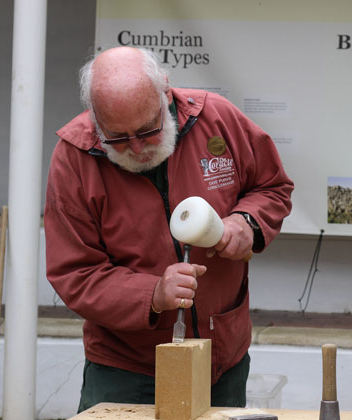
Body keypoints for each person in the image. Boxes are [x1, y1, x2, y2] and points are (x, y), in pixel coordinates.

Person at [44, 46, 293, 412]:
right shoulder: (74, 157)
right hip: (126, 367)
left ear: (165, 91)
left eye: (148, 129)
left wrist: (247, 223)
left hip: (222, 360)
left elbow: (271, 187)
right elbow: (75, 273)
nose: (137, 148)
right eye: (117, 136)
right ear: (95, 118)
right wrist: (153, 294)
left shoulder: (217, 119)